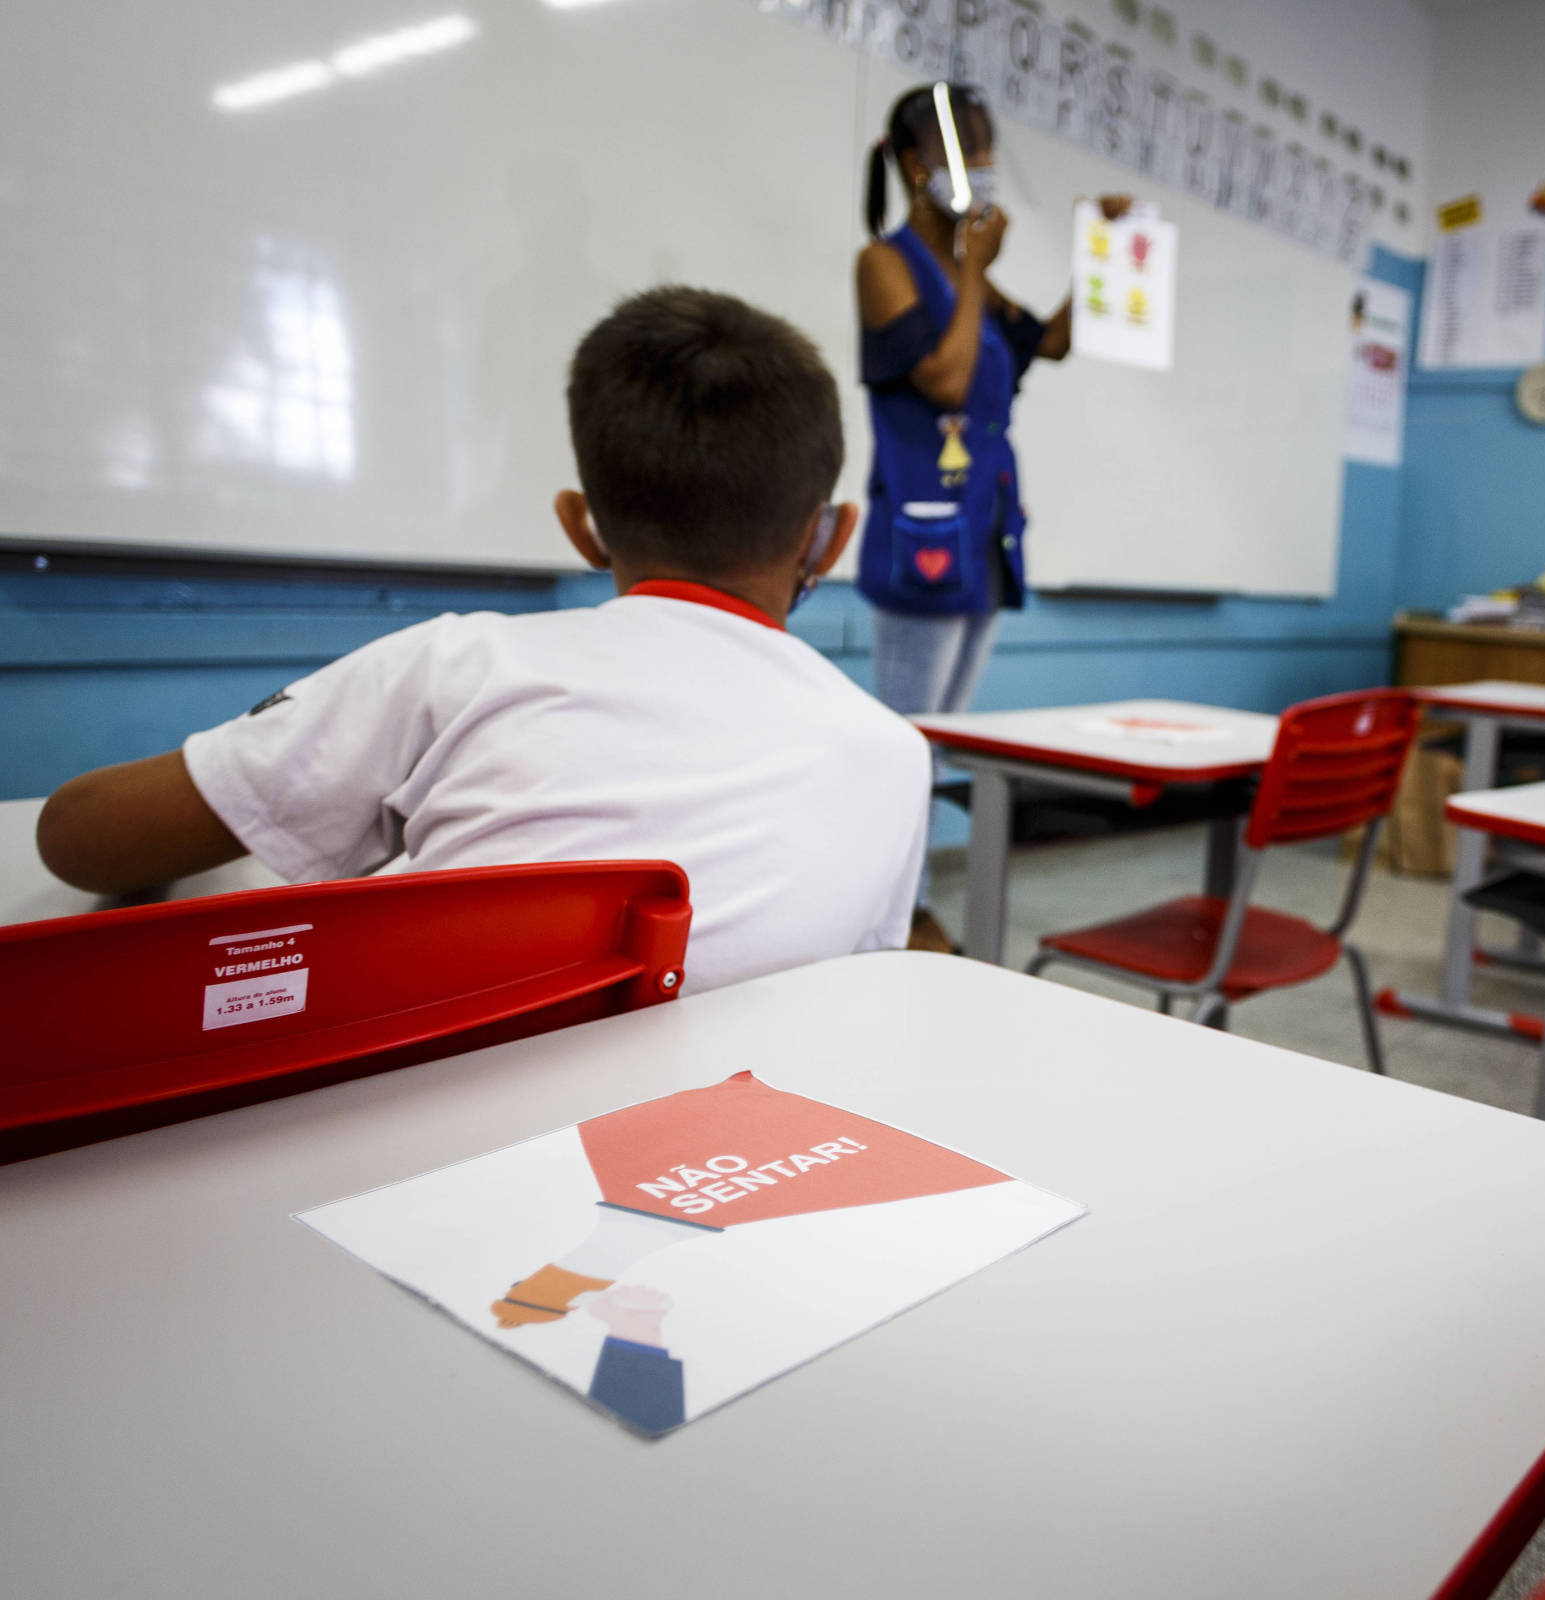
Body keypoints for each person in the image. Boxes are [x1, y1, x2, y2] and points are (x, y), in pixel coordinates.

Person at [36, 287, 931, 993]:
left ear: (581, 527)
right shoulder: (896, 756)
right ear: (834, 535)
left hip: (401, 1162)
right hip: (731, 1171)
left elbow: (79, 839)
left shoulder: (463, 665)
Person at [853, 82, 1128, 948]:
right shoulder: (887, 263)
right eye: (961, 154)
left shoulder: (969, 272)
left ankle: (912, 900)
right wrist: (972, 267)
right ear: (910, 165)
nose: (979, 171)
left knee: (947, 735)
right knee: (909, 742)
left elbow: (1045, 343)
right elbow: (943, 376)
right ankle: (888, 913)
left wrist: (1099, 255)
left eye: (985, 153)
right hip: (923, 529)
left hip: (984, 527)